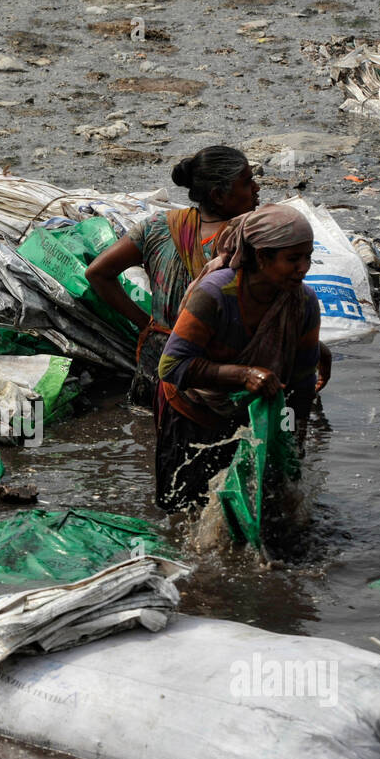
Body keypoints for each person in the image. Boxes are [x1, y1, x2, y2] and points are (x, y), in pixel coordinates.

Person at [154, 204, 323, 513]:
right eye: (293, 259)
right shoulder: (216, 294)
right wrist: (244, 376)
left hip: (249, 419)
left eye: (308, 257)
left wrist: (293, 436)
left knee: (261, 510)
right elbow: (171, 365)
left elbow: (302, 379)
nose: (304, 268)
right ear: (261, 257)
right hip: (194, 412)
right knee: (184, 510)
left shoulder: (303, 302)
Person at [85, 147, 260, 404]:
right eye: (247, 182)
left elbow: (97, 273)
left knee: (151, 432)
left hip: (157, 361)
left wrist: (147, 324)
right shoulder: (245, 239)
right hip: (213, 371)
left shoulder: (157, 225)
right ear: (219, 195)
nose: (256, 188)